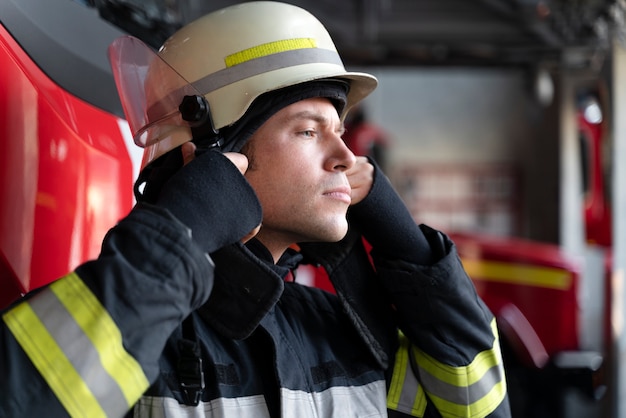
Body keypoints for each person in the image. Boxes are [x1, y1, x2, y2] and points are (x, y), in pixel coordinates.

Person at [0, 2, 510, 417]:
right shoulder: (133, 334)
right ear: (214, 158)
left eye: (340, 131)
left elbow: (477, 408)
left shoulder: (351, 330)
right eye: (309, 131)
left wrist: (415, 255)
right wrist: (179, 234)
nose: (349, 160)